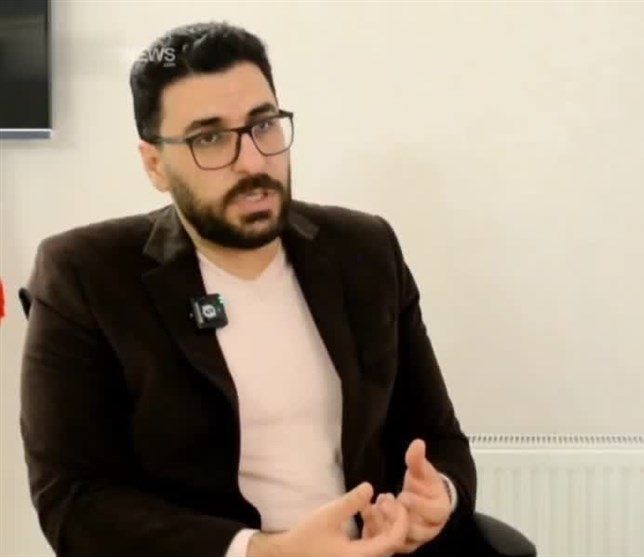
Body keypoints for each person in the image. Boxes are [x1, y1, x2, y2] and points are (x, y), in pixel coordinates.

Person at [19, 21, 484, 557]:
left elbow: (438, 437)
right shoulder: (85, 277)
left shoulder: (365, 250)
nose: (253, 161)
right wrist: (264, 551)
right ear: (155, 165)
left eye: (263, 126)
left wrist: (437, 496)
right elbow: (74, 502)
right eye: (209, 138)